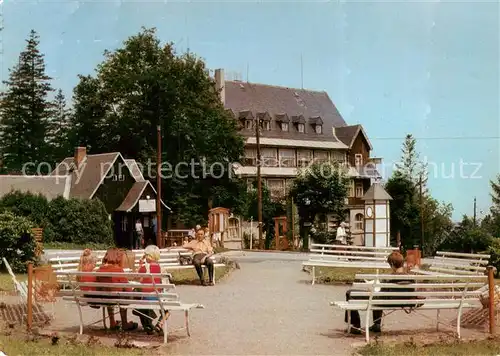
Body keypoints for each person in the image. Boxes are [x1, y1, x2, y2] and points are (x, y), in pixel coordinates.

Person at [344, 251, 416, 334]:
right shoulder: (411, 277)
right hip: (405, 302)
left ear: (392, 264)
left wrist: (371, 288)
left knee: (350, 293)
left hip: (385, 301)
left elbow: (382, 293)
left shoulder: (388, 278)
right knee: (378, 297)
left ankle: (355, 325)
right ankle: (376, 325)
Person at [96, 248, 138, 331]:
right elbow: (128, 290)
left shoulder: (99, 270)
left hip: (105, 298)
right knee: (124, 295)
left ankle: (112, 322)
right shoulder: (118, 270)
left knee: (111, 294)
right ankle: (124, 323)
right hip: (118, 298)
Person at [133, 245, 163, 334]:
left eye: (145, 255)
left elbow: (136, 278)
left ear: (148, 256)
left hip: (146, 298)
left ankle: (148, 326)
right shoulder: (161, 268)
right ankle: (157, 324)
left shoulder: (145, 267)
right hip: (158, 298)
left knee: (139, 301)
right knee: (142, 303)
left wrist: (140, 264)